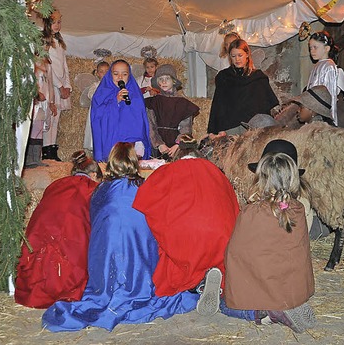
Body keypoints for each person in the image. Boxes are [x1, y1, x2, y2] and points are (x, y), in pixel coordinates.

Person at [42, 142, 198, 332]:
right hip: (140, 260)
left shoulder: (101, 191)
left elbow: (94, 220)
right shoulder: (145, 188)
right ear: (134, 162)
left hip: (106, 261)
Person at [132, 135, 239, 311]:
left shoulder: (168, 171)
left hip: (187, 238)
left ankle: (198, 284)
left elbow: (142, 202)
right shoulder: (215, 170)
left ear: (178, 155)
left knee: (174, 259)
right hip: (220, 236)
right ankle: (210, 278)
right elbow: (234, 206)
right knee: (219, 250)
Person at [220, 147, 316, 334]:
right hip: (295, 291)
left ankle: (269, 312)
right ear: (293, 178)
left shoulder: (251, 212)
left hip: (266, 289)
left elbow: (236, 254)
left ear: (260, 179)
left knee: (224, 305)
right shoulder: (298, 209)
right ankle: (285, 305)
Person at [15, 151, 102, 309]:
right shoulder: (92, 188)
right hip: (68, 246)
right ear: (94, 174)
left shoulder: (56, 184)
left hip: (38, 241)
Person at [207, 38, 279, 137]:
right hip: (229, 129)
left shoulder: (258, 77)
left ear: (247, 55)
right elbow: (218, 105)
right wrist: (213, 130)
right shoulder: (223, 77)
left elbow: (263, 107)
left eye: (240, 55)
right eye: (233, 56)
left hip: (252, 129)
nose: (237, 59)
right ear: (230, 57)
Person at [90, 59, 151, 161]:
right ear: (110, 75)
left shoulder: (135, 94)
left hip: (130, 142)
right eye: (116, 74)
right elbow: (97, 115)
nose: (120, 77)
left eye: (124, 74)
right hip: (110, 138)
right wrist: (115, 101)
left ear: (129, 76)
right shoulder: (102, 92)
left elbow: (140, 120)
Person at [144, 64, 199, 159]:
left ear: (173, 81)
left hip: (177, 145)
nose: (164, 81)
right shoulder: (152, 102)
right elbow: (150, 125)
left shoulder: (183, 104)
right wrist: (159, 144)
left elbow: (185, 128)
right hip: (157, 145)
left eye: (167, 78)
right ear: (157, 82)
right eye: (161, 79)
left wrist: (178, 145)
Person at [41, 10, 72, 161]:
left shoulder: (59, 42)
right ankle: (46, 150)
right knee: (49, 118)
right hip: (51, 85)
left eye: (59, 22)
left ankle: (52, 148)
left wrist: (67, 85)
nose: (57, 25)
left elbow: (64, 65)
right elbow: (48, 67)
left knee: (56, 118)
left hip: (60, 84)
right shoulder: (44, 41)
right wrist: (59, 85)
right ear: (47, 23)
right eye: (54, 22)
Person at [306, 31, 344, 126]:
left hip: (322, 113)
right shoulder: (317, 66)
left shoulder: (329, 66)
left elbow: (329, 94)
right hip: (313, 110)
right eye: (310, 48)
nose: (312, 51)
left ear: (326, 48)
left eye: (315, 47)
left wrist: (326, 117)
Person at [24, 56, 55, 168]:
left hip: (44, 104)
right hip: (35, 103)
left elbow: (49, 84)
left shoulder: (47, 64)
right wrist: (36, 93)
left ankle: (37, 158)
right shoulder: (31, 60)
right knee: (32, 129)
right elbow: (27, 80)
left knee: (39, 130)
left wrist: (51, 102)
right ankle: (28, 159)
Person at [83, 61, 110, 153]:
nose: (105, 74)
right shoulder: (95, 86)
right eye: (102, 72)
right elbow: (92, 96)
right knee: (97, 133)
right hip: (97, 114)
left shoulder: (114, 85)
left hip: (109, 113)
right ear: (98, 74)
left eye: (107, 71)